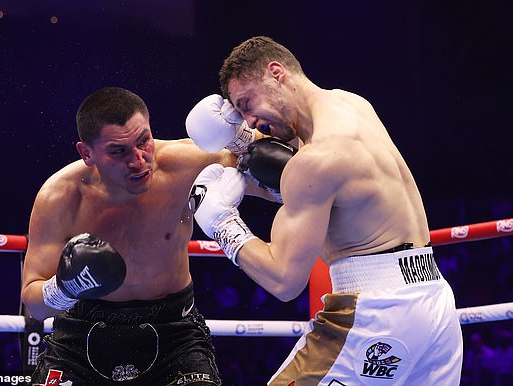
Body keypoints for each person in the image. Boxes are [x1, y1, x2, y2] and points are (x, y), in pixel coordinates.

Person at [187, 36, 463, 385]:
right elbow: (316, 189)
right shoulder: (351, 104)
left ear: (276, 73)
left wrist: (223, 225)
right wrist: (239, 141)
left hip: (378, 314)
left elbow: (284, 280)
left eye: (247, 104)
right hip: (434, 304)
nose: (250, 121)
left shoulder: (315, 161)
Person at [20, 86, 267, 385]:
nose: (138, 160)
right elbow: (33, 304)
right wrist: (68, 286)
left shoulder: (184, 165)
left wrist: (241, 135)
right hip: (80, 337)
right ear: (87, 153)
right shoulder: (59, 198)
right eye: (118, 151)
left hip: (174, 333)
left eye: (144, 141)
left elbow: (273, 173)